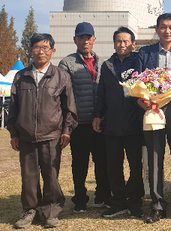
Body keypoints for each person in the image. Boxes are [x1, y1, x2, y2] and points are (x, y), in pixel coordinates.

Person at [7, 33, 77, 229]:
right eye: (36, 47)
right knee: (28, 176)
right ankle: (30, 210)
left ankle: (52, 211)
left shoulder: (61, 76)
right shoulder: (21, 76)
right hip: (26, 135)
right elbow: (13, 106)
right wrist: (13, 132)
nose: (41, 51)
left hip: (52, 135)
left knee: (51, 175)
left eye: (45, 48)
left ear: (52, 51)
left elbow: (69, 107)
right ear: (30, 51)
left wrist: (66, 130)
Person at [135, 13, 171, 224]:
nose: (167, 31)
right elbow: (138, 79)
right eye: (163, 27)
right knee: (154, 157)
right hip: (153, 110)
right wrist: (141, 99)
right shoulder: (144, 53)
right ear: (157, 29)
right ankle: (157, 204)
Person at [58, 22, 111, 212]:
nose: (85, 41)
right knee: (80, 164)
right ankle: (80, 200)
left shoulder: (103, 63)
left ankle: (102, 196)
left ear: (94, 39)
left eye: (88, 37)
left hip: (100, 122)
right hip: (79, 124)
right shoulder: (67, 63)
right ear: (75, 40)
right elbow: (63, 95)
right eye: (81, 37)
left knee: (102, 162)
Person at [93, 27, 145, 218]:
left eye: (125, 41)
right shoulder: (107, 66)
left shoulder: (140, 62)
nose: (121, 44)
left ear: (133, 43)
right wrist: (98, 115)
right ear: (113, 44)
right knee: (113, 166)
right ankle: (119, 202)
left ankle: (134, 202)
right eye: (118, 41)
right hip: (112, 125)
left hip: (134, 124)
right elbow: (102, 95)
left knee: (135, 166)